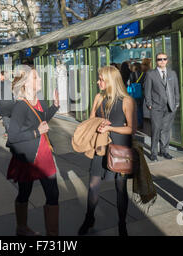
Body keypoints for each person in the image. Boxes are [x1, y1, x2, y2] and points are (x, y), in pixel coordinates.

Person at [77, 66, 136, 237]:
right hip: (100, 147)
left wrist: (112, 128)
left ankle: (122, 224)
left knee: (120, 188)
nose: (98, 82)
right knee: (93, 185)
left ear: (110, 80)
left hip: (120, 148)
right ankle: (89, 218)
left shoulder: (127, 101)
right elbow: (91, 120)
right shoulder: (98, 97)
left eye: (101, 79)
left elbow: (132, 129)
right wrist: (97, 124)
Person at [6, 68, 60, 236]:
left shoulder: (40, 100)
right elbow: (12, 138)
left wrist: (55, 107)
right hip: (29, 157)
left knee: (53, 195)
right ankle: (21, 228)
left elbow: (42, 119)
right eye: (36, 77)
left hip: (44, 154)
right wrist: (37, 132)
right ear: (25, 83)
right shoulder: (20, 106)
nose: (40, 80)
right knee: (24, 193)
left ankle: (52, 235)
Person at [144, 52, 180, 161]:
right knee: (156, 130)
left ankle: (164, 151)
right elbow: (147, 91)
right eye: (160, 59)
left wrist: (177, 102)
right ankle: (153, 153)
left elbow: (176, 89)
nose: (162, 61)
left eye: (164, 59)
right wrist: (149, 104)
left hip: (170, 106)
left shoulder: (172, 73)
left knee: (166, 130)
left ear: (167, 60)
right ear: (156, 61)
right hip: (156, 107)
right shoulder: (151, 74)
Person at [0, 71, 14, 137]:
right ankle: (7, 132)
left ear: (4, 76)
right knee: (10, 119)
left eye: (0, 75)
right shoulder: (11, 83)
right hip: (12, 103)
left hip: (4, 104)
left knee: (6, 121)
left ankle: (11, 135)